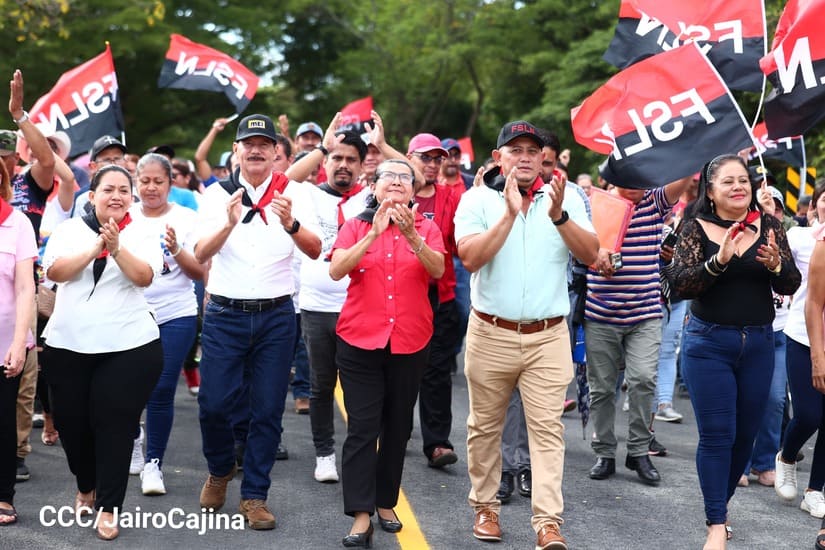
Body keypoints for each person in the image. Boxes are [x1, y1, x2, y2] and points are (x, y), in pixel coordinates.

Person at [455, 121, 598, 549]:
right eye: (514, 150)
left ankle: (548, 522)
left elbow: (591, 254)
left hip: (548, 335)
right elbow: (470, 258)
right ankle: (486, 508)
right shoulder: (477, 199)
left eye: (532, 151)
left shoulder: (567, 197)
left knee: (548, 431)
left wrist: (559, 216)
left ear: (542, 158)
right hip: (490, 331)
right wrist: (509, 214)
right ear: (498, 158)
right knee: (484, 428)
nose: (524, 157)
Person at [193, 114, 320, 530]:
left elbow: (315, 249)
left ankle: (255, 496)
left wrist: (291, 224)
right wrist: (229, 224)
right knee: (213, 404)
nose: (256, 151)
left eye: (265, 145)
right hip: (226, 314)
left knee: (267, 410)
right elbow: (199, 253)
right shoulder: (216, 195)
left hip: (276, 316)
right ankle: (219, 469)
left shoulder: (294, 193)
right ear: (236, 151)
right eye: (249, 144)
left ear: (276, 152)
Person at [668, 153, 801, 550]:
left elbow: (791, 284)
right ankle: (716, 523)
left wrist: (776, 266)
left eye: (743, 180)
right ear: (710, 191)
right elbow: (680, 284)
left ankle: (719, 505)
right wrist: (718, 261)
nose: (738, 187)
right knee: (717, 435)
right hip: (709, 344)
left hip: (759, 344)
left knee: (745, 437)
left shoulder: (770, 225)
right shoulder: (695, 226)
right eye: (727, 181)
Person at [41, 164, 165, 540]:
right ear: (92, 196)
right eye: (108, 189)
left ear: (132, 197)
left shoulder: (143, 230)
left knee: (116, 425)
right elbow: (56, 273)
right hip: (68, 344)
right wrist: (96, 247)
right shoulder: (68, 230)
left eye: (124, 190)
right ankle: (86, 484)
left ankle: (109, 506)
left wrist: (117, 248)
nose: (117, 196)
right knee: (72, 425)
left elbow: (144, 277)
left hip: (129, 344)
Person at [329, 158, 445, 548]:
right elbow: (336, 270)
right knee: (362, 428)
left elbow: (438, 270)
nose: (396, 182)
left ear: (413, 190)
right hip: (359, 340)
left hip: (410, 341)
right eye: (388, 177)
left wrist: (411, 236)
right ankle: (361, 515)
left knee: (397, 427)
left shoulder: (426, 227)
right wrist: (372, 235)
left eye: (404, 178)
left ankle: (385, 502)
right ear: (374, 186)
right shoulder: (355, 225)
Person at [585, 169, 692, 487]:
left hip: (645, 313)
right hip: (600, 313)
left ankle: (639, 451)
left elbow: (684, 176)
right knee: (602, 388)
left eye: (639, 176)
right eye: (625, 177)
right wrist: (593, 254)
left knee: (644, 380)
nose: (633, 185)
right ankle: (604, 453)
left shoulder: (655, 201)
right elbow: (576, 246)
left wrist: (695, 146)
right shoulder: (594, 204)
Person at [287, 118, 370, 483]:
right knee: (321, 385)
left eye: (351, 159)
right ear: (325, 162)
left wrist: (383, 144)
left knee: (359, 387)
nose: (343, 165)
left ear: (362, 165)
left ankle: (358, 455)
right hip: (317, 306)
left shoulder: (371, 196)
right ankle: (324, 454)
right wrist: (323, 146)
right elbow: (285, 179)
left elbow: (411, 177)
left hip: (359, 306)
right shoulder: (308, 193)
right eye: (337, 158)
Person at [130, 153, 205, 495]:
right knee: (130, 388)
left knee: (161, 389)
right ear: (136, 182)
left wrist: (176, 249)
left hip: (176, 313)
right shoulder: (125, 216)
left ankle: (154, 464)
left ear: (170, 184)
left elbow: (198, 271)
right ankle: (134, 438)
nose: (151, 188)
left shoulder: (187, 218)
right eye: (144, 181)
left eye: (158, 181)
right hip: (130, 314)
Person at [406, 133, 461, 469]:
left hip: (440, 295)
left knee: (437, 371)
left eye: (437, 159)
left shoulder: (450, 197)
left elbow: (459, 241)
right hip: (401, 293)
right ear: (409, 159)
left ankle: (437, 443)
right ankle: (393, 431)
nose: (432, 164)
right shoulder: (395, 192)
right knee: (398, 368)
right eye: (424, 157)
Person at [775, 179, 825, 517]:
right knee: (809, 414)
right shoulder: (812, 239)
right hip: (804, 337)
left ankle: (815, 490)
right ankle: (787, 455)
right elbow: (812, 303)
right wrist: (818, 357)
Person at [0, 159, 36, 525]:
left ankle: (3, 495)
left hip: (5, 342)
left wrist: (18, 342)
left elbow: (26, 288)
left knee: (2, 421)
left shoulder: (17, 223)